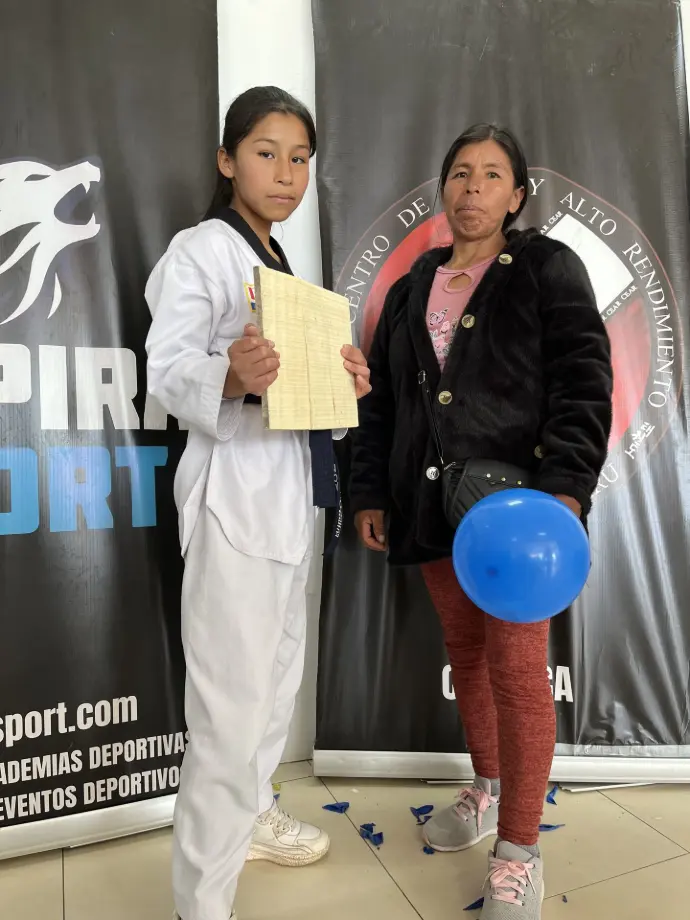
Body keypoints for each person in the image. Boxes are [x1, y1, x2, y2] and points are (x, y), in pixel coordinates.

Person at [350, 124, 613, 919]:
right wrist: (371, 490)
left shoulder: (545, 267)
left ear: (517, 195)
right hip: (430, 509)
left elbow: (584, 377)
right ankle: (488, 787)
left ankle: (520, 851)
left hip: (517, 514)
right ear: (444, 188)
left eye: (491, 175)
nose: (472, 187)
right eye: (460, 173)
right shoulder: (410, 286)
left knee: (518, 672)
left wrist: (566, 489)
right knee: (466, 653)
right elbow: (382, 403)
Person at [145, 86, 371, 920]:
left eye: (300, 158)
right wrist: (229, 377)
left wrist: (344, 386)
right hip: (233, 506)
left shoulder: (284, 273)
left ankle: (252, 818)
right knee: (228, 713)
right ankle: (201, 905)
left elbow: (304, 406)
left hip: (291, 502)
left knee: (275, 689)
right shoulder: (202, 251)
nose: (285, 173)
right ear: (226, 160)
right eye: (266, 153)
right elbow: (167, 370)